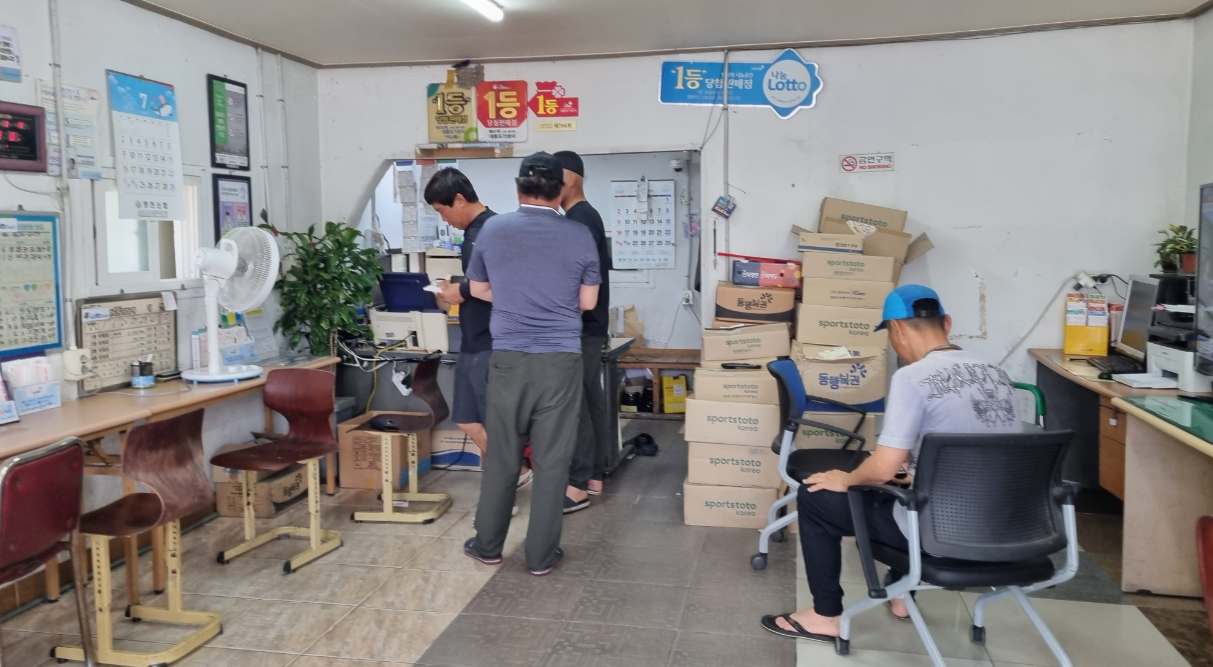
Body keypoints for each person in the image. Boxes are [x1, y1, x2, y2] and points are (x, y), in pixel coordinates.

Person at [761, 285, 1023, 641]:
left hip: (939, 533)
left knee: (816, 495)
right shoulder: (997, 375)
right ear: (946, 322)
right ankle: (902, 596)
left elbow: (883, 468)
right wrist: (912, 472)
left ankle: (826, 615)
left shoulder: (912, 377)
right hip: (1006, 530)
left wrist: (847, 478)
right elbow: (979, 457)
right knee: (900, 487)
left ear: (896, 329)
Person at [463, 152, 601, 576]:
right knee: (553, 460)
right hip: (561, 362)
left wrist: (513, 296)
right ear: (560, 192)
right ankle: (541, 556)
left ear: (518, 188)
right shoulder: (579, 234)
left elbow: (477, 289)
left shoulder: (493, 229)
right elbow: (588, 302)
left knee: (503, 456)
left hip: (509, 359)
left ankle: (488, 545)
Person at [423, 168, 532, 495]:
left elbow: (509, 287)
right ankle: (515, 475)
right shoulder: (474, 234)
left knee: (493, 424)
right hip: (472, 342)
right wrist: (458, 289)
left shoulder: (491, 231)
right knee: (467, 420)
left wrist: (462, 291)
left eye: (442, 211)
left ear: (459, 199)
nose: (443, 220)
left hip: (491, 342)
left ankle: (504, 492)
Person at [554, 151, 612, 513]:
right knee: (590, 400)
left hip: (582, 326)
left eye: (554, 177)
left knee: (575, 405)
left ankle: (576, 486)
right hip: (590, 326)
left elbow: (579, 277)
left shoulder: (580, 219)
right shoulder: (583, 217)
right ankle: (594, 475)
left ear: (572, 178)